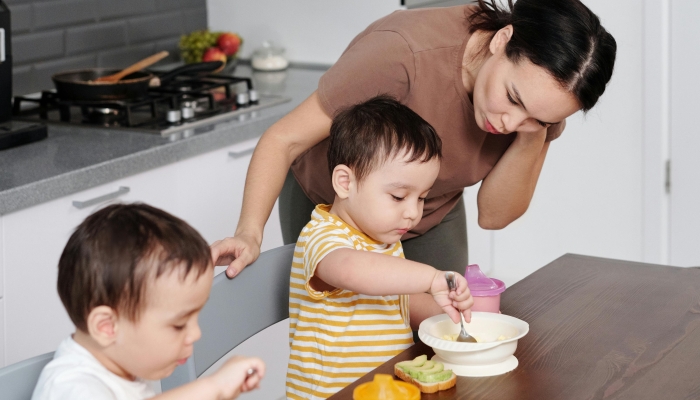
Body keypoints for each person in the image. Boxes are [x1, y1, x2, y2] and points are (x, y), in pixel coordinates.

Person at [210, 0, 617, 278]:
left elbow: (493, 215)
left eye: (538, 119)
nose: (510, 123)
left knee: (440, 339)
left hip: (432, 209)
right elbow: (284, 140)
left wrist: (535, 137)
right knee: (349, 348)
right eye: (512, 98)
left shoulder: (539, 109)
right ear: (501, 40)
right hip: (334, 204)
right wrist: (249, 232)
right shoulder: (402, 56)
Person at [285, 96, 474, 400]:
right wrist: (431, 277)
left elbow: (400, 303)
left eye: (421, 197)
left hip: (385, 389)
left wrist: (450, 314)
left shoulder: (383, 239)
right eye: (399, 197)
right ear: (345, 183)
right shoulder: (322, 236)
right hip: (331, 394)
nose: (413, 212)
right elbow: (351, 270)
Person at [32, 203, 265, 400]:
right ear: (107, 327)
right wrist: (213, 387)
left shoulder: (125, 361)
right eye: (179, 324)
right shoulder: (68, 388)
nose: (195, 334)